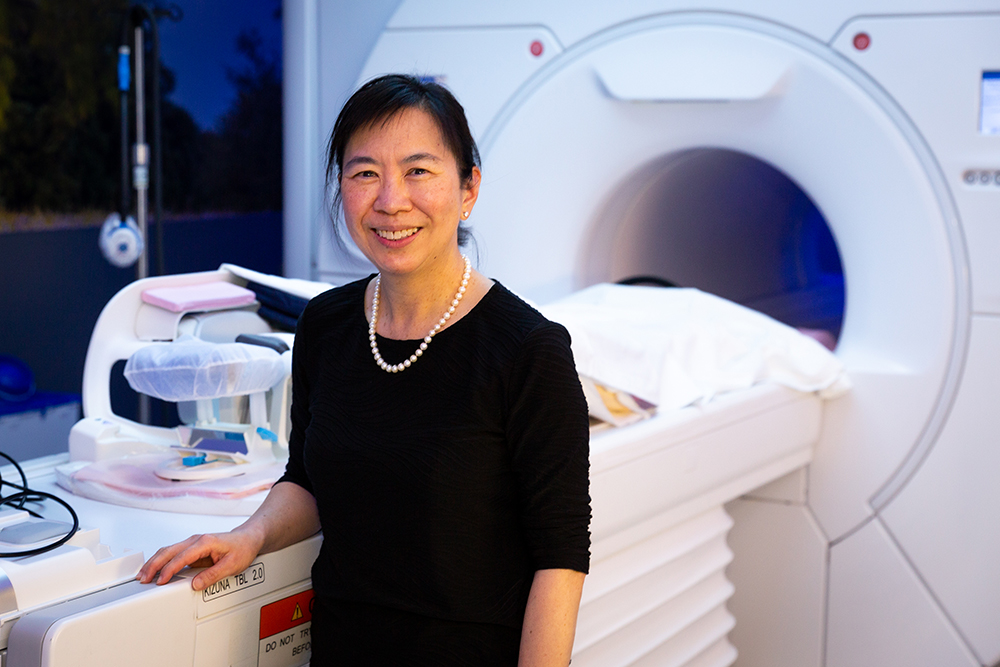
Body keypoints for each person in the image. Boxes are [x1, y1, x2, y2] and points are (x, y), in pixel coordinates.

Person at [137, 74, 592, 666]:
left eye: (418, 171)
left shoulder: (530, 350)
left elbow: (560, 559)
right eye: (364, 174)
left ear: (468, 188)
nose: (390, 201)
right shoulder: (326, 325)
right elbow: (307, 480)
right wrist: (250, 534)